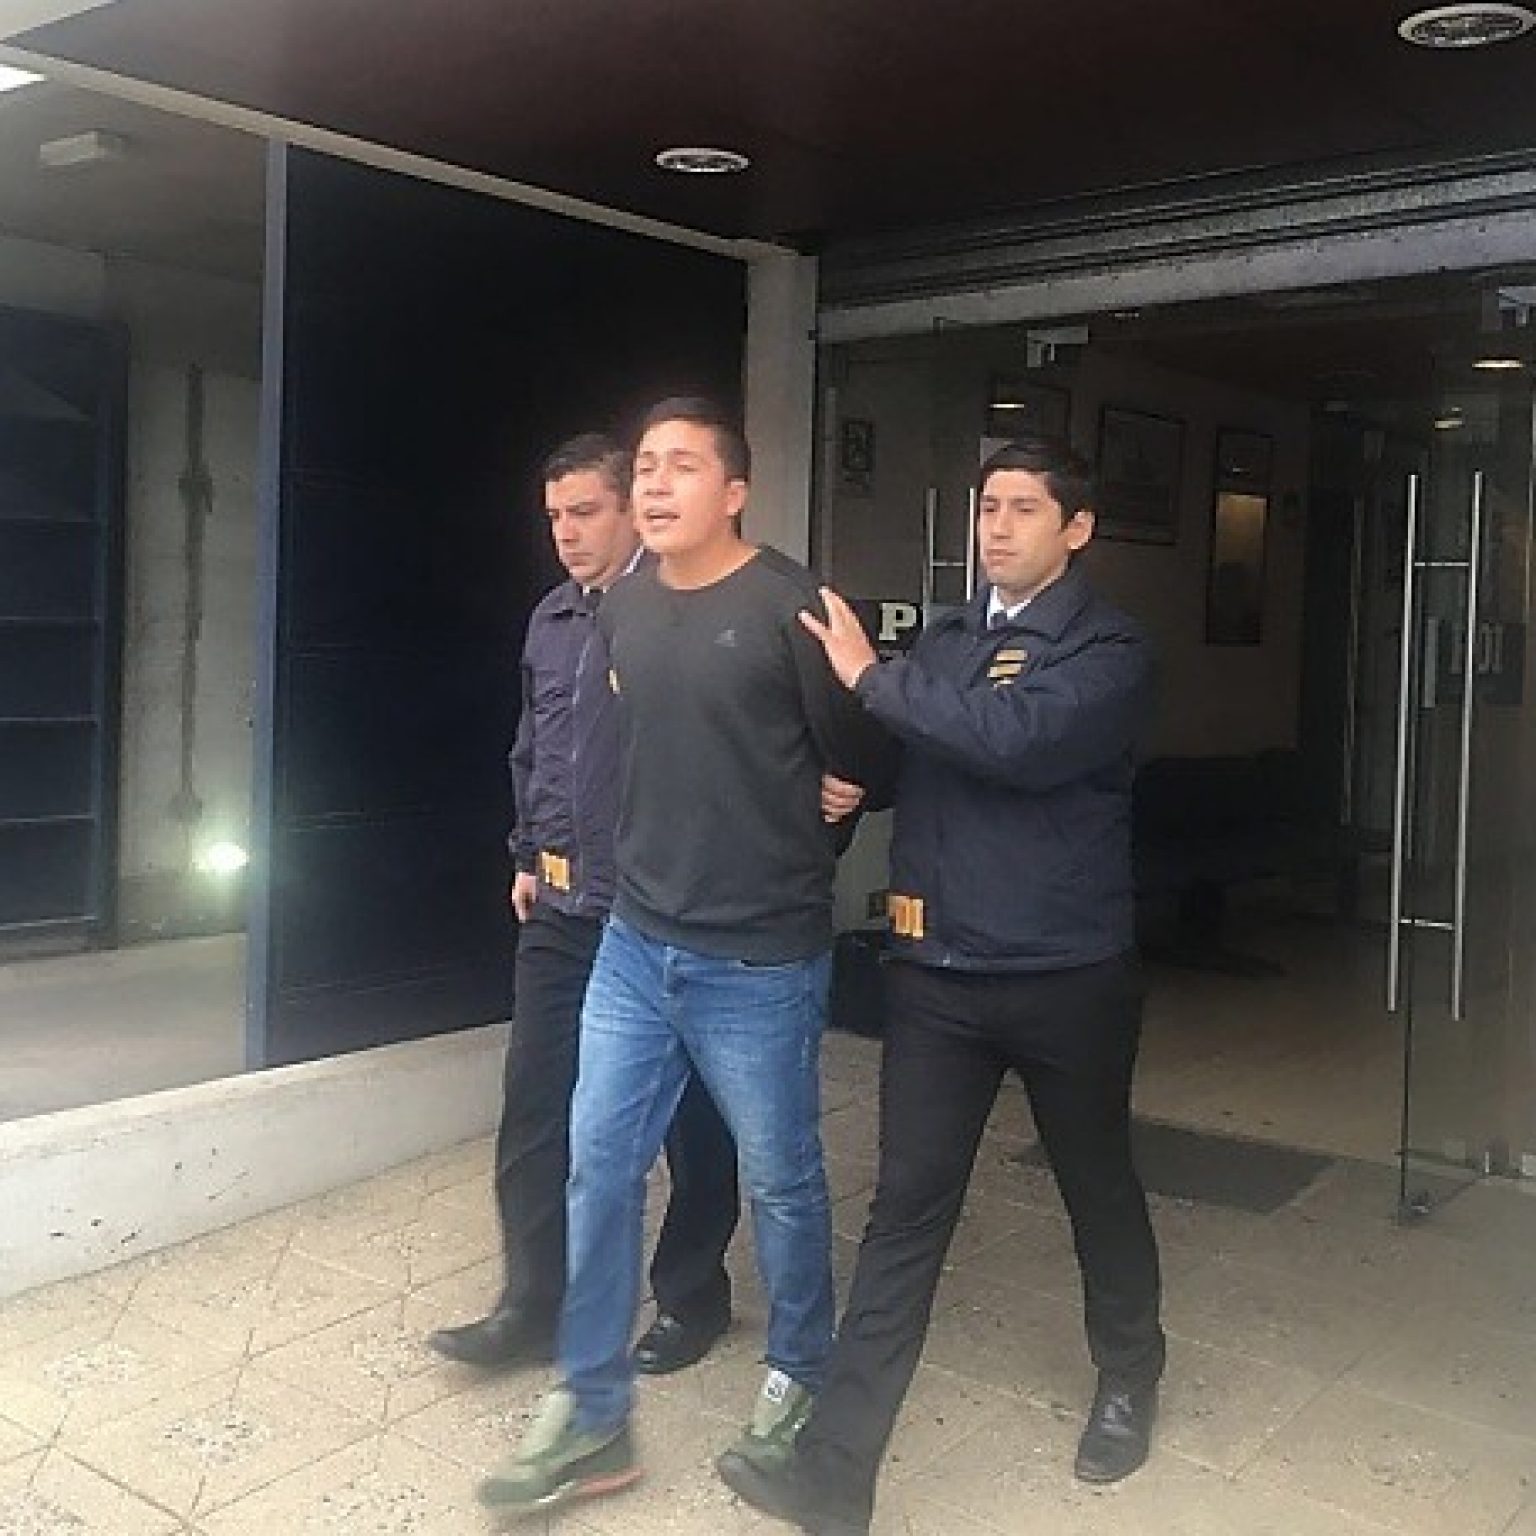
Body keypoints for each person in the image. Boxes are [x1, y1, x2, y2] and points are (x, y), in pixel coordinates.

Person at [721, 436, 1165, 1535]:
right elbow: (915, 748)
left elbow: (1014, 743)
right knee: (904, 1215)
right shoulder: (952, 637)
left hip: (1066, 975)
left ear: (1077, 528)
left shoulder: (1111, 649)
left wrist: (872, 678)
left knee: (1095, 1185)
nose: (996, 526)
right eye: (987, 506)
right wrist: (853, 778)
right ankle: (835, 1475)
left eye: (1023, 508)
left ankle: (1129, 1374)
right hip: (938, 978)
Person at [476, 398, 891, 1518]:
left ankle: (799, 1379)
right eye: (647, 466)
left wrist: (844, 790)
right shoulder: (623, 611)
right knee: (598, 1164)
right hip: (635, 940)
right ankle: (591, 1411)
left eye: (682, 467)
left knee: (783, 1179)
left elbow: (868, 754)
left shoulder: (792, 605)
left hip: (758, 957)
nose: (656, 486)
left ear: (736, 492)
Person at [428, 432, 739, 1377]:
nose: (567, 532)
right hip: (562, 907)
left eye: (586, 512)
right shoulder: (553, 617)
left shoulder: (676, 611)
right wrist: (529, 851)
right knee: (536, 1104)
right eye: (555, 517)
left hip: (658, 909)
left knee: (688, 1114)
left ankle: (692, 1298)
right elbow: (536, 746)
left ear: (630, 511)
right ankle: (533, 1304)